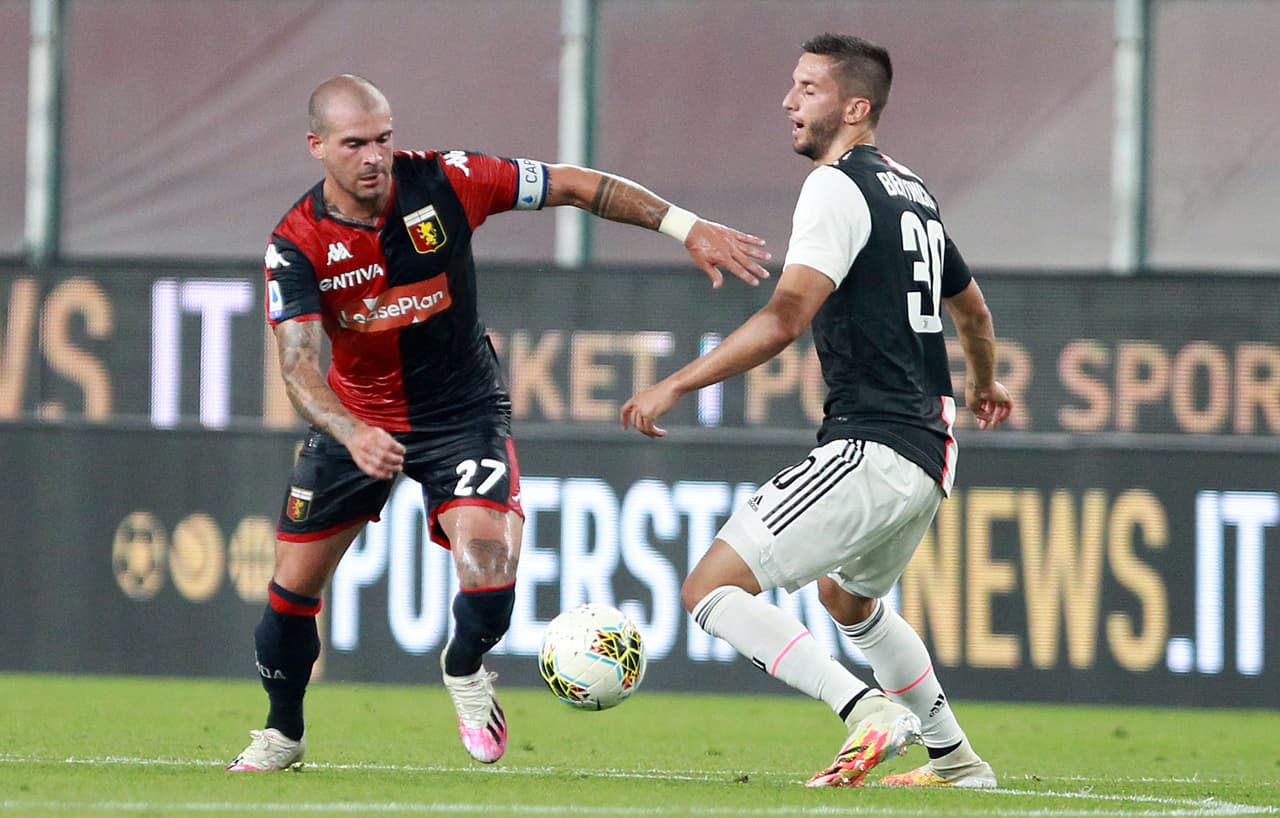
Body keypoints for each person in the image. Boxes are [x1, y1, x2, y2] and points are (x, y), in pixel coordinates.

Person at [226, 73, 771, 772]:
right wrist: (350, 431)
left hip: (462, 413)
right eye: (354, 143)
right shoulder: (296, 242)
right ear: (317, 147)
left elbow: (577, 185)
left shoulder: (449, 181)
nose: (374, 156)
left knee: (489, 562)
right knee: (292, 589)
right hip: (358, 420)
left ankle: (464, 668)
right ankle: (283, 734)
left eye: (384, 139)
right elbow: (299, 365)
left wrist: (685, 225)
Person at [621, 33, 1012, 788]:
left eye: (807, 88)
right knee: (849, 598)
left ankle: (865, 710)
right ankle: (959, 762)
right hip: (931, 452)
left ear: (855, 107)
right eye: (793, 86)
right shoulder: (913, 191)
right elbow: (974, 312)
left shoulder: (838, 187)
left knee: (709, 591)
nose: (788, 101)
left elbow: (785, 317)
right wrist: (986, 385)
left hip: (876, 442)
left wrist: (674, 385)